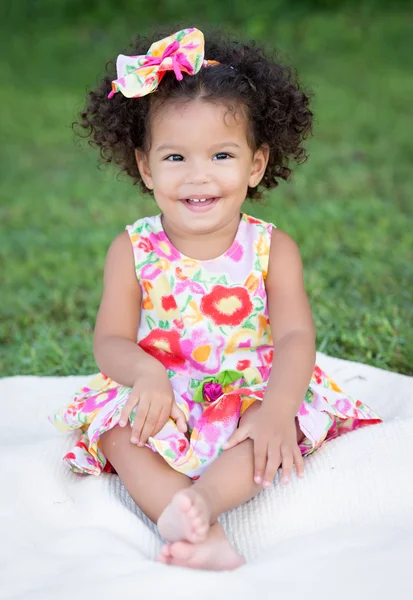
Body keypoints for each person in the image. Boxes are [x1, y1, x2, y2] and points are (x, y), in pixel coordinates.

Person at [50, 27, 382, 571]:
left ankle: (202, 504)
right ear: (145, 166)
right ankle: (175, 512)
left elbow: (296, 336)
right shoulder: (133, 249)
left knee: (275, 427)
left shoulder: (272, 248)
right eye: (176, 157)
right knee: (116, 430)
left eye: (222, 154)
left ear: (255, 164)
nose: (198, 175)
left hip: (247, 384)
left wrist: (276, 408)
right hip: (165, 390)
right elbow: (110, 340)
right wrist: (146, 375)